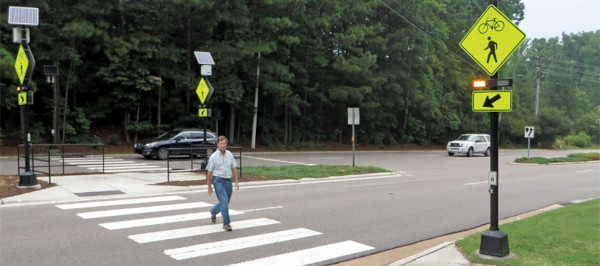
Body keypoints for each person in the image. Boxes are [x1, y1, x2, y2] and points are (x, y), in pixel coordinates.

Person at [206, 135, 239, 231]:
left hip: (228, 180)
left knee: (226, 201)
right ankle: (226, 224)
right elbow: (209, 173)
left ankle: (214, 211)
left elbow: (234, 168)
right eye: (221, 144)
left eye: (225, 143)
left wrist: (236, 181)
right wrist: (209, 186)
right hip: (218, 180)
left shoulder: (229, 154)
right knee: (224, 202)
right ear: (217, 144)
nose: (223, 145)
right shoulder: (214, 157)